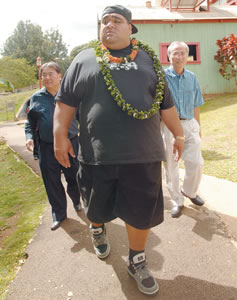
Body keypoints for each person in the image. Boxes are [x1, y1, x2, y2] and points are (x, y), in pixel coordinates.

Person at [53, 5, 184, 295]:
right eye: (104, 21)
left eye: (116, 20)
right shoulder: (83, 59)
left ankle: (137, 260)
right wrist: (60, 136)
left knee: (140, 214)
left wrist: (179, 134)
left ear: (130, 28)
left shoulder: (149, 60)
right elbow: (65, 103)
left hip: (143, 156)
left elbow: (166, 104)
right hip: (97, 157)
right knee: (96, 208)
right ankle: (97, 228)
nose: (108, 25)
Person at [25, 62, 82, 231]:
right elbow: (30, 124)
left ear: (60, 76)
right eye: (44, 75)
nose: (47, 77)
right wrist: (29, 138)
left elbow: (83, 120)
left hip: (71, 144)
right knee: (52, 182)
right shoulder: (35, 98)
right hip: (47, 147)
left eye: (51, 74)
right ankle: (59, 214)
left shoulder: (71, 96)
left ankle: (78, 201)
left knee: (75, 177)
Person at [161, 41, 205, 219]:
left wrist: (198, 127)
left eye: (182, 53)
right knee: (171, 165)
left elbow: (196, 104)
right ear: (169, 56)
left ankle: (189, 191)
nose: (179, 57)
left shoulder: (192, 77)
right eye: (175, 53)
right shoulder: (161, 77)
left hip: (189, 124)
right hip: (169, 126)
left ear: (187, 56)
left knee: (196, 162)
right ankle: (177, 201)